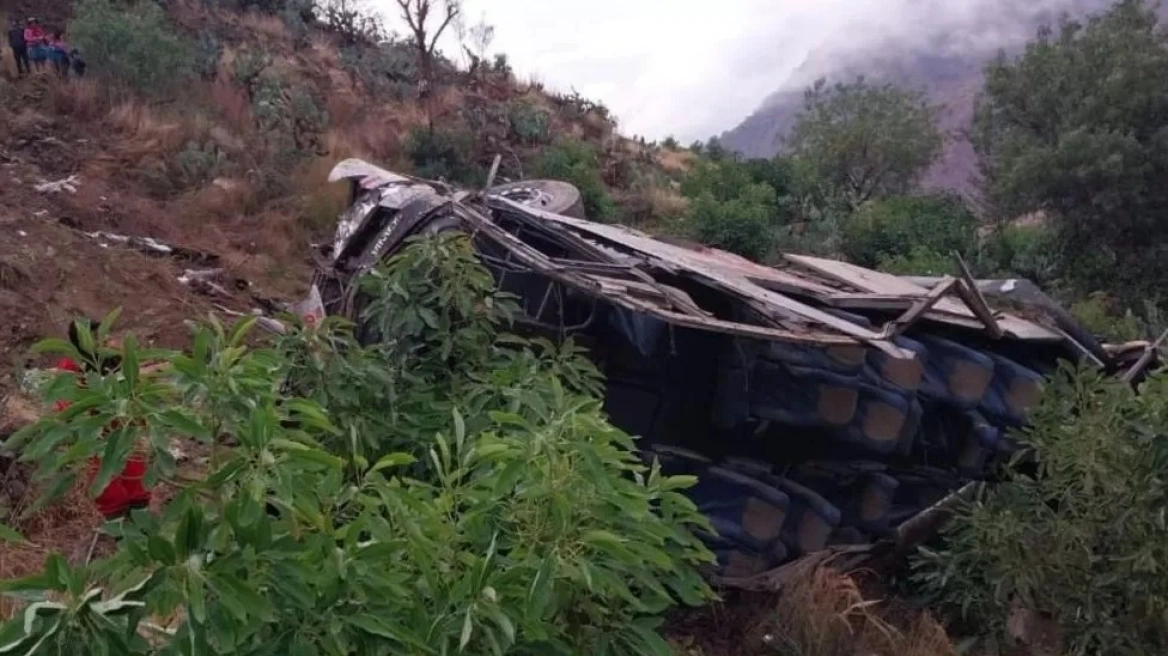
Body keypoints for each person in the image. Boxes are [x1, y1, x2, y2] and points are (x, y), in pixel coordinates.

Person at [55, 321, 154, 520]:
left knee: (135, 471)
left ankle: (142, 525)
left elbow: (134, 388)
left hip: (122, 423)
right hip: (93, 430)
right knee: (105, 480)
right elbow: (66, 403)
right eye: (98, 336)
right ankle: (118, 531)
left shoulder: (114, 358)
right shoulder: (71, 367)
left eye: (105, 335)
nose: (106, 339)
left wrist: (139, 420)